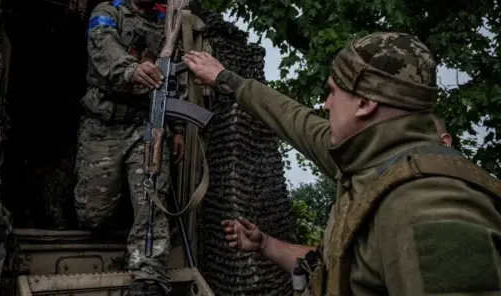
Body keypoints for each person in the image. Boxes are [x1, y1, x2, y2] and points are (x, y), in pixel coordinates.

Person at [183, 32, 501, 296]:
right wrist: (227, 79)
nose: (326, 103)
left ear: (365, 104)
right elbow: (295, 120)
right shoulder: (368, 161)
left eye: (334, 92)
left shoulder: (428, 202)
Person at [74, 0, 185, 296]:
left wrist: (177, 128)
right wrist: (133, 70)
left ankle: (149, 275)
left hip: (145, 126)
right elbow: (104, 52)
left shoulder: (168, 27)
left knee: (153, 193)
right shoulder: (107, 13)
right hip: (102, 126)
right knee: (93, 217)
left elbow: (178, 81)